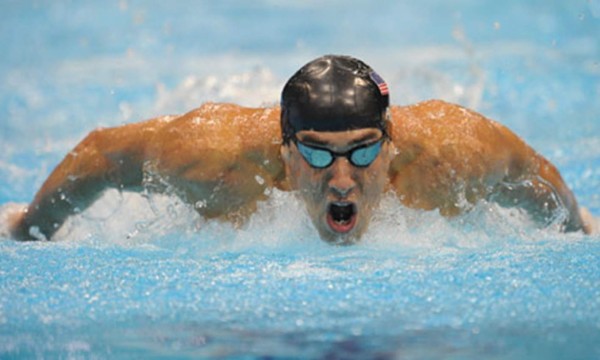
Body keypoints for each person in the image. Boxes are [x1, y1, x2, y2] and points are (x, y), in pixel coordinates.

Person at [4, 55, 596, 243]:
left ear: (390, 145)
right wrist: (29, 227)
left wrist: (580, 232)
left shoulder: (454, 153)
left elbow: (534, 176)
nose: (341, 179)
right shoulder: (212, 159)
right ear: (284, 150)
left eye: (362, 151)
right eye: (316, 153)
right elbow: (102, 155)